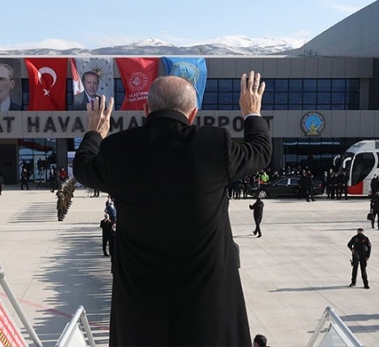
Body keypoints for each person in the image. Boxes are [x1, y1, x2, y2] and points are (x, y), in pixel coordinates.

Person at [73, 72, 271, 346]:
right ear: (193, 114)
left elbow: (82, 168)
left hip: (142, 313)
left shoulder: (119, 149)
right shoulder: (214, 144)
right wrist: (251, 113)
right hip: (207, 314)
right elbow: (260, 151)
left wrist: (95, 132)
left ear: (146, 110)